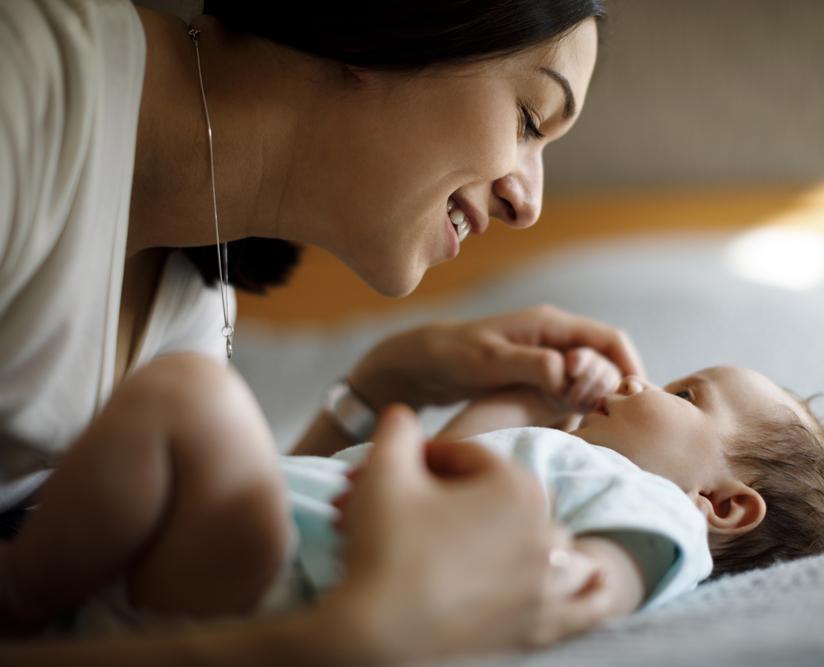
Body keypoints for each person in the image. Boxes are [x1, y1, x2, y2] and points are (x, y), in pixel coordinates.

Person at [0, 0, 656, 663]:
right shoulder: (23, 91)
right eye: (529, 118)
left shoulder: (197, 279)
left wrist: (383, 383)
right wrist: (336, 642)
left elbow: (247, 549)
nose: (529, 203)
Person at [0, 349, 824, 636]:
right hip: (233, 559)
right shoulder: (564, 462)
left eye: (685, 392)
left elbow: (617, 563)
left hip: (267, 573)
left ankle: (19, 591)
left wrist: (584, 580)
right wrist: (532, 385)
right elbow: (461, 454)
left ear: (725, 503)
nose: (643, 385)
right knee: (182, 407)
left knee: (194, 397)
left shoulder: (652, 503)